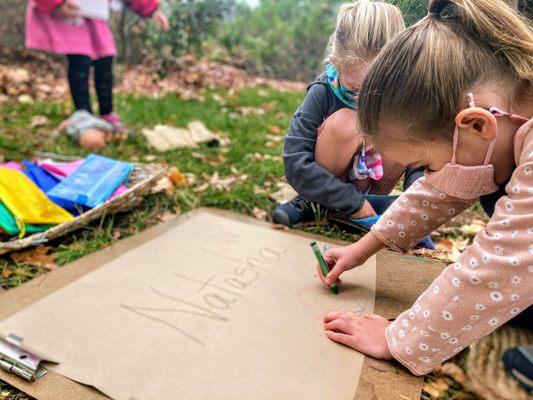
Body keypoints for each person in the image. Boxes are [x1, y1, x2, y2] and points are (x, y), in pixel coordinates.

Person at [317, 0, 532, 376]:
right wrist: (364, 248)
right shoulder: (493, 127)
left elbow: (508, 257)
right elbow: (440, 192)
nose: (429, 176)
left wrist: (401, 336)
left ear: (477, 126)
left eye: (427, 164)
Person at [274, 0, 424, 228]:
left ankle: (368, 212)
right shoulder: (323, 90)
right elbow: (296, 162)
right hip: (330, 186)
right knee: (348, 122)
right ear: (336, 62)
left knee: (399, 128)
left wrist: (414, 204)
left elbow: (418, 162)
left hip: (373, 193)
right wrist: (352, 202)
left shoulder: (406, 93)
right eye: (355, 88)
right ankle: (315, 202)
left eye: (377, 89)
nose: (364, 100)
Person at [25, 0, 169, 133]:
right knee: (80, 59)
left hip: (95, 14)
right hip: (68, 11)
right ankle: (83, 115)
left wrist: (151, 9)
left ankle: (107, 113)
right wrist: (56, 3)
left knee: (105, 57)